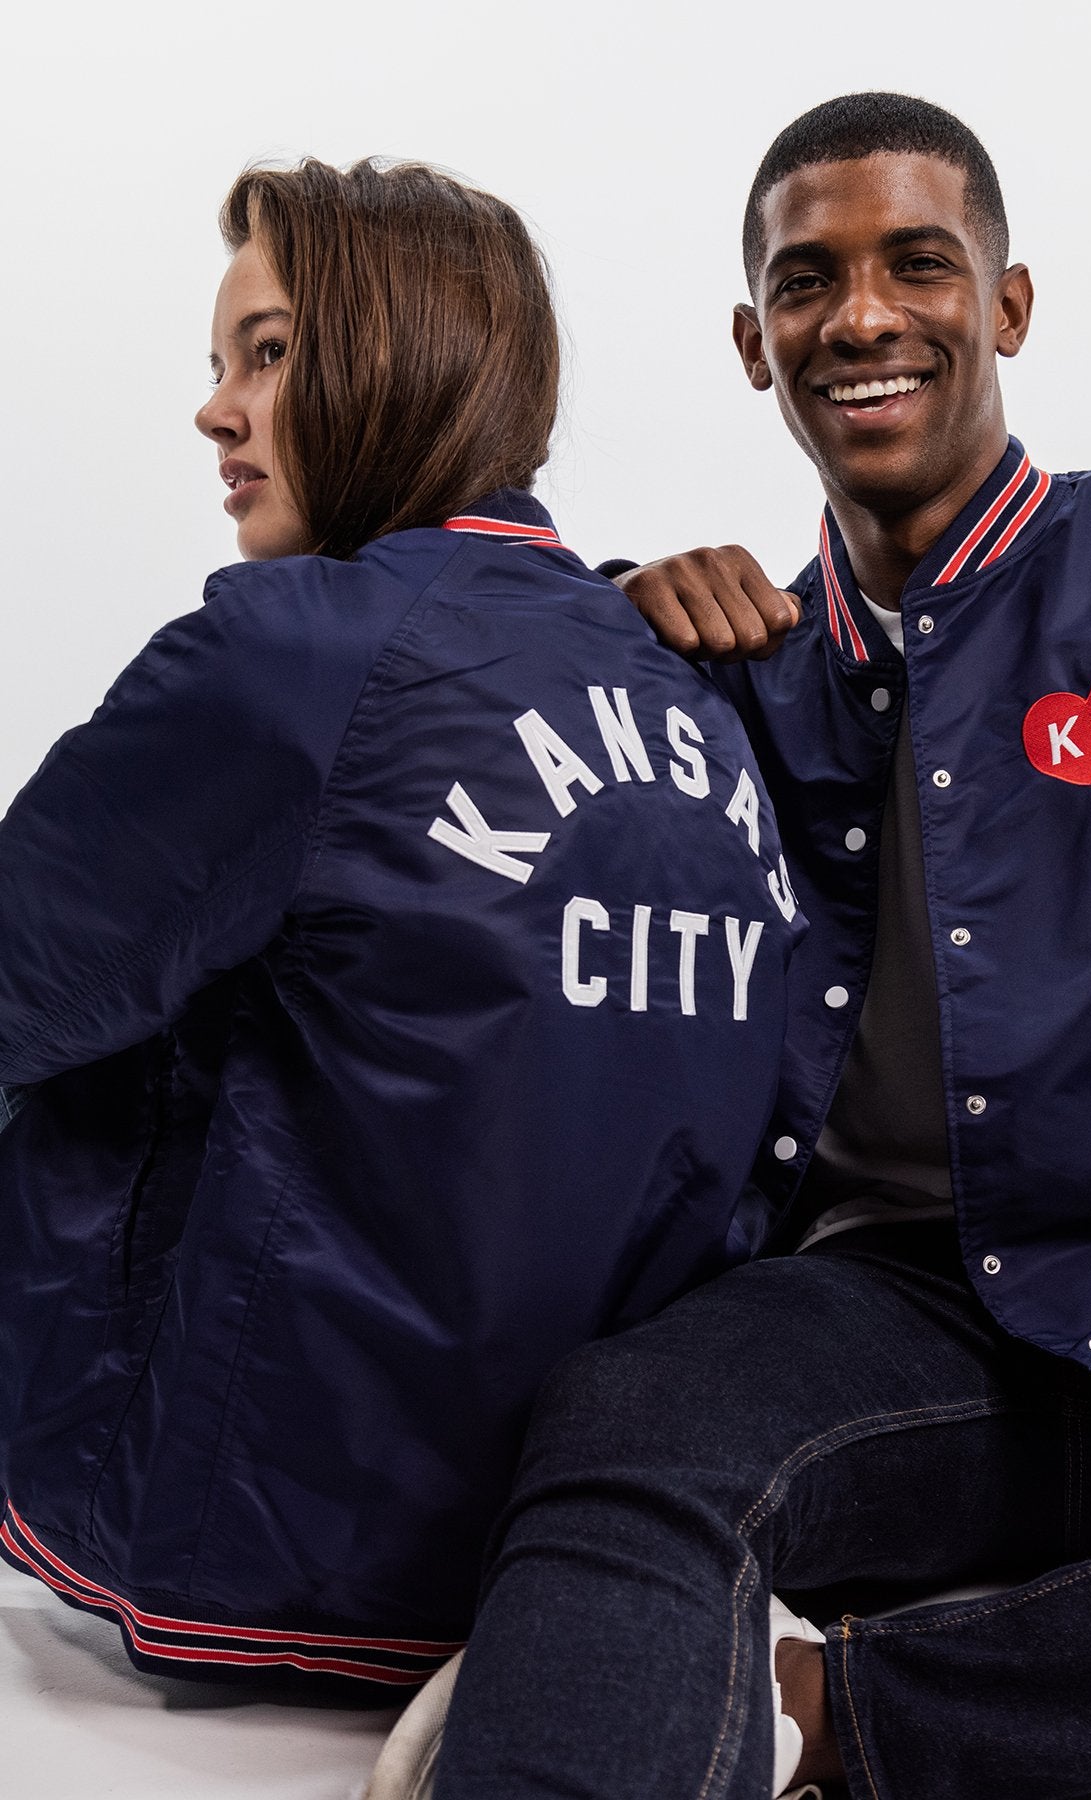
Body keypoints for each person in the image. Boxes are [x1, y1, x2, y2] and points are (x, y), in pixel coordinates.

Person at [425, 94, 1091, 1799]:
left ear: (1008, 306)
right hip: (863, 1322)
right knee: (615, 1426)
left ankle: (837, 1713)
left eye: (918, 264)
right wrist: (586, 623)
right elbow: (478, 857)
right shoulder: (727, 666)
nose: (863, 317)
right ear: (753, 345)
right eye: (806, 282)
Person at [0, 157, 800, 1695]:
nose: (216, 411)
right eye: (221, 362)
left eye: (268, 353)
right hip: (593, 1553)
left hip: (286, 1549)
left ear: (397, 354)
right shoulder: (692, 692)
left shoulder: (295, 653)